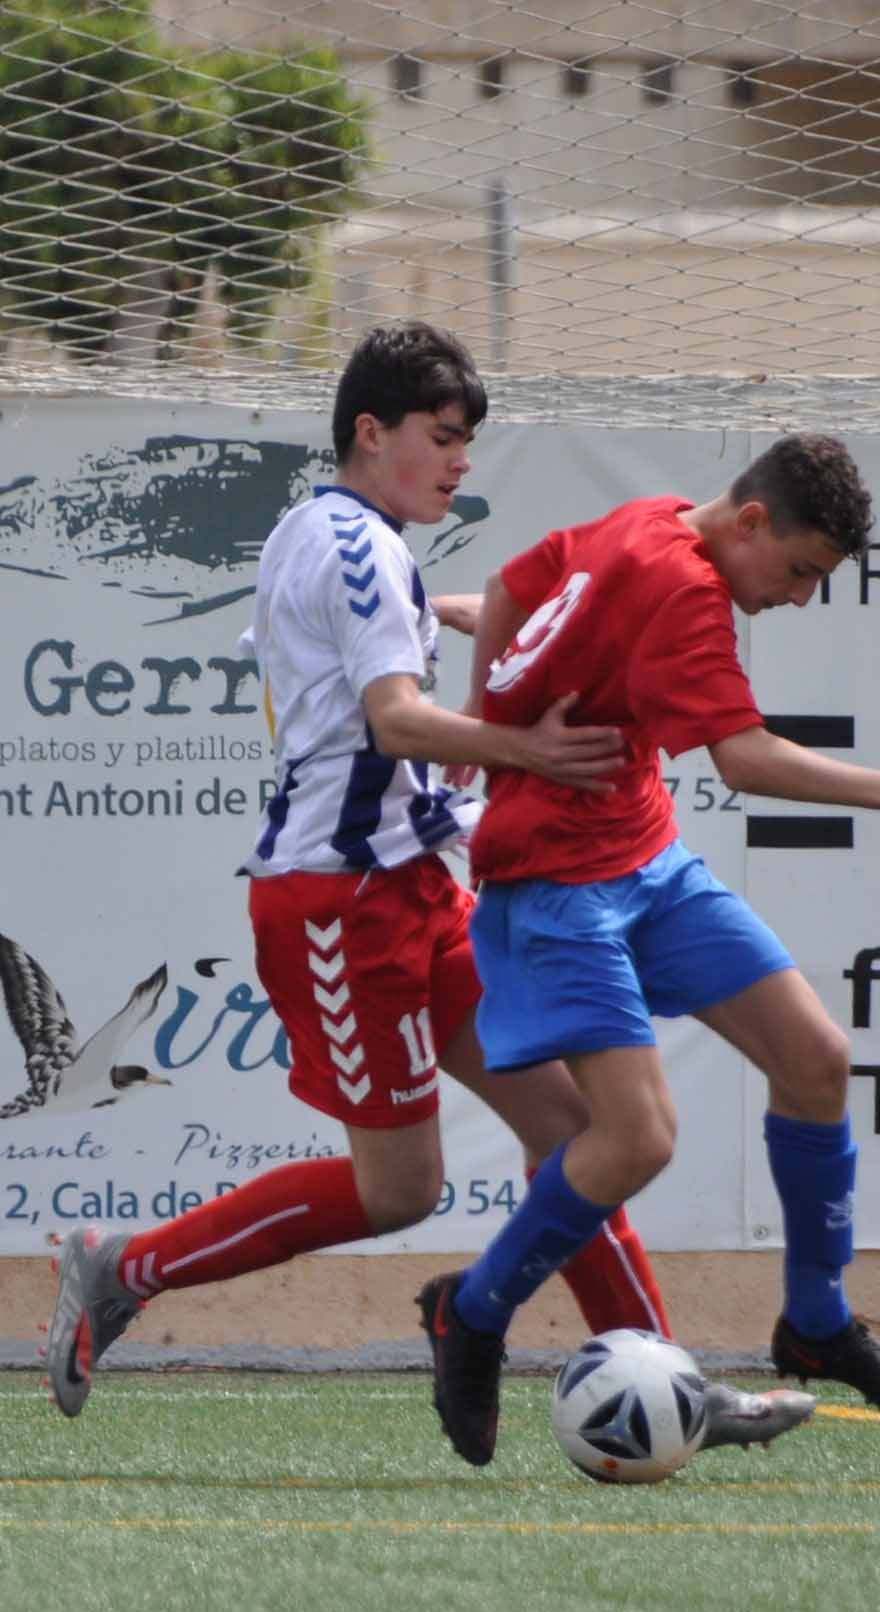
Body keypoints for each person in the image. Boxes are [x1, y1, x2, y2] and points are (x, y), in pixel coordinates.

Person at [43, 321, 813, 1454]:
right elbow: (392, 718)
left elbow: (372, 720)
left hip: (410, 886)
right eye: (442, 438)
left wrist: (461, 737)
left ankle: (674, 1383)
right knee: (400, 1188)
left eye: (467, 442)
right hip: (334, 909)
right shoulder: (354, 546)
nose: (460, 461)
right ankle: (123, 1268)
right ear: (371, 431)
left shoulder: (353, 535)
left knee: (575, 1134)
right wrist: (526, 755)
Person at [417, 433, 880, 1467]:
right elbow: (741, 759)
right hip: (555, 883)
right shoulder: (683, 586)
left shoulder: (651, 513)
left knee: (816, 1059)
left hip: (644, 857)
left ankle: (815, 1321)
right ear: (748, 523)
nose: (798, 596)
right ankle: (471, 1310)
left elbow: (509, 585)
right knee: (636, 1136)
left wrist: (497, 688)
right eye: (800, 571)